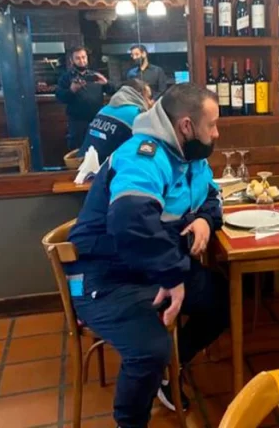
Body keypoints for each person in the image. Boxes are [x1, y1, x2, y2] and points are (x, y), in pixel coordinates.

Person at [65, 83, 228, 428]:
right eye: (211, 124)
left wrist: (204, 219)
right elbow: (130, 220)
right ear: (186, 126)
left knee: (221, 298)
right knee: (150, 350)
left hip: (149, 267)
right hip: (104, 276)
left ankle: (171, 371)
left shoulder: (190, 158)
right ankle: (131, 422)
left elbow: (212, 195)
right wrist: (171, 275)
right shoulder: (143, 154)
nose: (216, 132)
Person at [77, 79, 154, 161]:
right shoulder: (137, 114)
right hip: (104, 169)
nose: (151, 102)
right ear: (138, 95)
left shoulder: (105, 109)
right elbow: (148, 147)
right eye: (149, 97)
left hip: (81, 164)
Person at [56, 46, 116, 150]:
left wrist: (106, 83)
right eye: (78, 58)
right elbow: (60, 98)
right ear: (72, 60)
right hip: (77, 123)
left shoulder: (96, 75)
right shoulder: (66, 78)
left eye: (83, 57)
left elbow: (113, 91)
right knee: (78, 152)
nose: (82, 60)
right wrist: (71, 91)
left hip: (97, 122)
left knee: (99, 150)